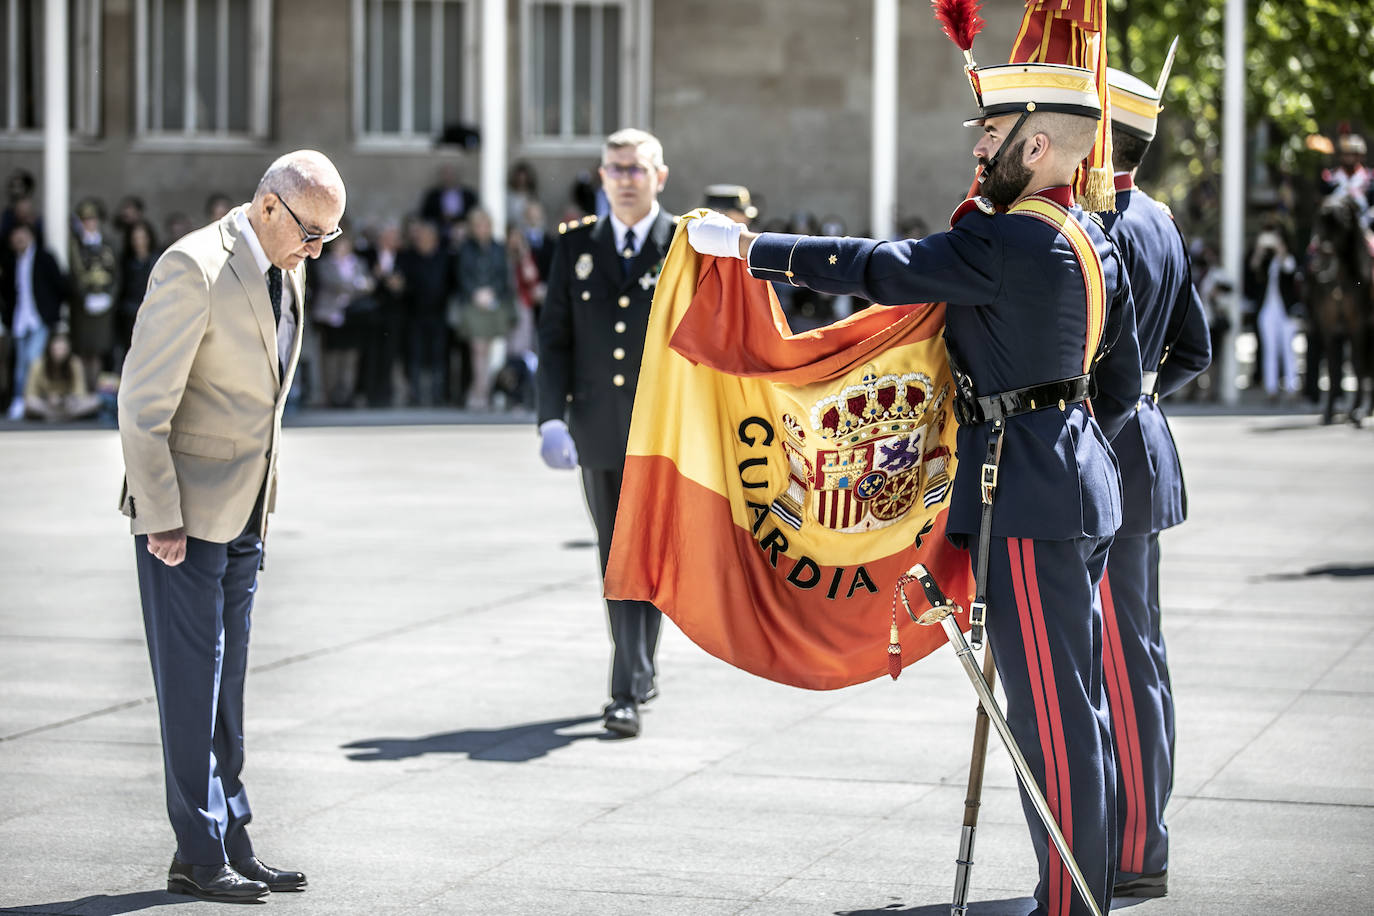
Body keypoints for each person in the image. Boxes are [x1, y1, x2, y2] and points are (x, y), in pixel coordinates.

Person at [688, 45, 1141, 916]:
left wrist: (751, 249)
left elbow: (880, 264)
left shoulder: (1004, 237)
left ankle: (1071, 903)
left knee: (1050, 712)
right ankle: (1082, 886)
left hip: (1031, 492)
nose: (978, 148)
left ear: (1038, 147)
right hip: (1073, 478)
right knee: (1072, 704)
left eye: (995, 134)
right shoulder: (1081, 232)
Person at [117, 149, 345, 902]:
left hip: (248, 508)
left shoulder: (289, 264)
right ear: (270, 205)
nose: (316, 250)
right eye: (311, 233)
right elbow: (143, 404)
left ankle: (233, 838)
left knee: (227, 688)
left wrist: (262, 504)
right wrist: (160, 514)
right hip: (183, 515)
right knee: (190, 685)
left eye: (327, 240)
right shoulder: (193, 267)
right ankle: (195, 852)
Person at [1097, 65, 1213, 900]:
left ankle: (1138, 847)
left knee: (1120, 657)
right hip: (1139, 452)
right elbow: (1195, 351)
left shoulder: (1093, 223)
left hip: (1101, 460)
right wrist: (1140, 401)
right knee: (1136, 650)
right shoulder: (1161, 219)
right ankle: (1138, 835)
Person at [537, 128, 678, 739]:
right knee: (617, 558)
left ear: (659, 177)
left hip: (665, 434)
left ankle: (634, 673)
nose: (625, 178)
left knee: (653, 557)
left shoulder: (682, 244)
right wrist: (550, 417)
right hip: (597, 429)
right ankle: (629, 686)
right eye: (615, 169)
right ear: (601, 177)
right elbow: (555, 338)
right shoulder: (577, 246)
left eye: (636, 168)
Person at [452, 207, 514, 410]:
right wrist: (476, 294)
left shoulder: (498, 248)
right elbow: (462, 275)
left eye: (485, 225)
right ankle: (480, 389)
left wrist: (491, 292)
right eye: (478, 226)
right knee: (477, 348)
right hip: (473, 303)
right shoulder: (466, 249)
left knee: (487, 348)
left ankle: (480, 389)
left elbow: (503, 276)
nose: (482, 229)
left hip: (493, 301)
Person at [2, 222, 65, 420]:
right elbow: (9, 293)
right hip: (21, 319)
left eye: (21, 237)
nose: (18, 241)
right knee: (20, 363)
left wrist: (52, 312)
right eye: (15, 239)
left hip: (39, 318)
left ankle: (30, 399)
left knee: (32, 359)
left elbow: (60, 285)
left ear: (30, 236)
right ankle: (19, 399)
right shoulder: (12, 261)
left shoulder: (45, 258)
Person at [396, 218, 453, 406]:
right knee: (415, 355)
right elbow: (401, 283)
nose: (423, 240)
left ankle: (438, 395)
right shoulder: (408, 257)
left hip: (439, 313)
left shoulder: (445, 257)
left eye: (427, 236)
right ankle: (416, 396)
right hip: (414, 313)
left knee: (439, 355)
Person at [1246, 221, 1301, 403]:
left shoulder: (1287, 257)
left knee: (1288, 349)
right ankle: (1271, 388)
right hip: (1267, 310)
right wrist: (1260, 250)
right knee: (1268, 349)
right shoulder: (1265, 260)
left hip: (1285, 311)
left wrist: (1280, 249)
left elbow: (1289, 268)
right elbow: (1253, 268)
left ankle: (1292, 386)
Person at [69, 198, 121, 386]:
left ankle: (95, 390)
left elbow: (116, 274)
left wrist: (110, 297)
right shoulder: (75, 245)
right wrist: (84, 297)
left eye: (92, 219)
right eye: (85, 220)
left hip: (104, 302)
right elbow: (74, 274)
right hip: (84, 305)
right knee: (84, 348)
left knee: (99, 349)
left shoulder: (109, 243)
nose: (89, 223)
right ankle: (85, 388)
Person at [23, 329, 101, 421]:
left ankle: (54, 417)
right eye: (57, 347)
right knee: (30, 404)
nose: (60, 352)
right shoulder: (38, 364)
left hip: (67, 404)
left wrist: (64, 399)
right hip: (46, 404)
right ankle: (62, 417)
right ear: (50, 347)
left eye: (63, 348)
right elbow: (30, 393)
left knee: (95, 401)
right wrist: (48, 398)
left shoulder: (74, 363)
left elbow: (80, 392)